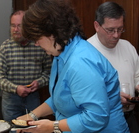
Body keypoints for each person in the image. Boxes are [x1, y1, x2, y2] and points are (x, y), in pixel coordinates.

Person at [16, 0, 130, 133]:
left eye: (37, 38)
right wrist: (32, 116)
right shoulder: (61, 52)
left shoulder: (80, 62)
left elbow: (96, 117)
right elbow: (61, 98)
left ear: (52, 32)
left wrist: (53, 126)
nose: (36, 44)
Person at [87, 2, 139, 132]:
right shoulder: (86, 52)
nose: (116, 35)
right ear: (97, 26)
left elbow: (137, 76)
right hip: (104, 122)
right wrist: (112, 98)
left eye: (120, 29)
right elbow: (84, 92)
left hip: (130, 117)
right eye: (110, 30)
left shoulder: (128, 46)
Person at [0, 10, 52, 123]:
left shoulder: (39, 45)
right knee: (13, 129)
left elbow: (49, 72)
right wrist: (16, 88)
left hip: (33, 98)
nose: (15, 30)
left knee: (33, 129)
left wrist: (39, 82)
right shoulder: (5, 47)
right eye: (13, 26)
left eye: (19, 26)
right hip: (11, 100)